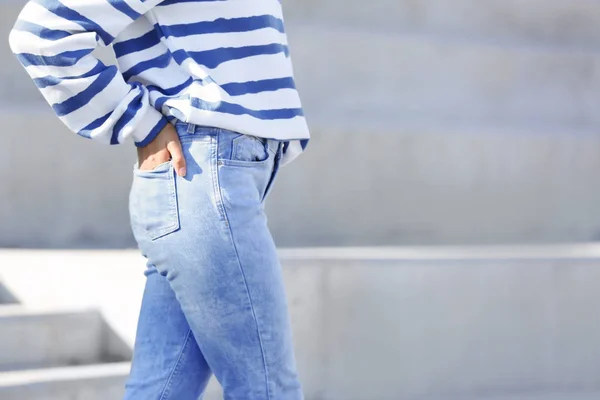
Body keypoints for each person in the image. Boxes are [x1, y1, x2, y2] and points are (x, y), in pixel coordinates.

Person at [9, 0, 310, 398]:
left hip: (215, 179)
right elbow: (41, 34)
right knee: (269, 391)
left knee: (161, 391)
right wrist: (140, 123)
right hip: (203, 175)